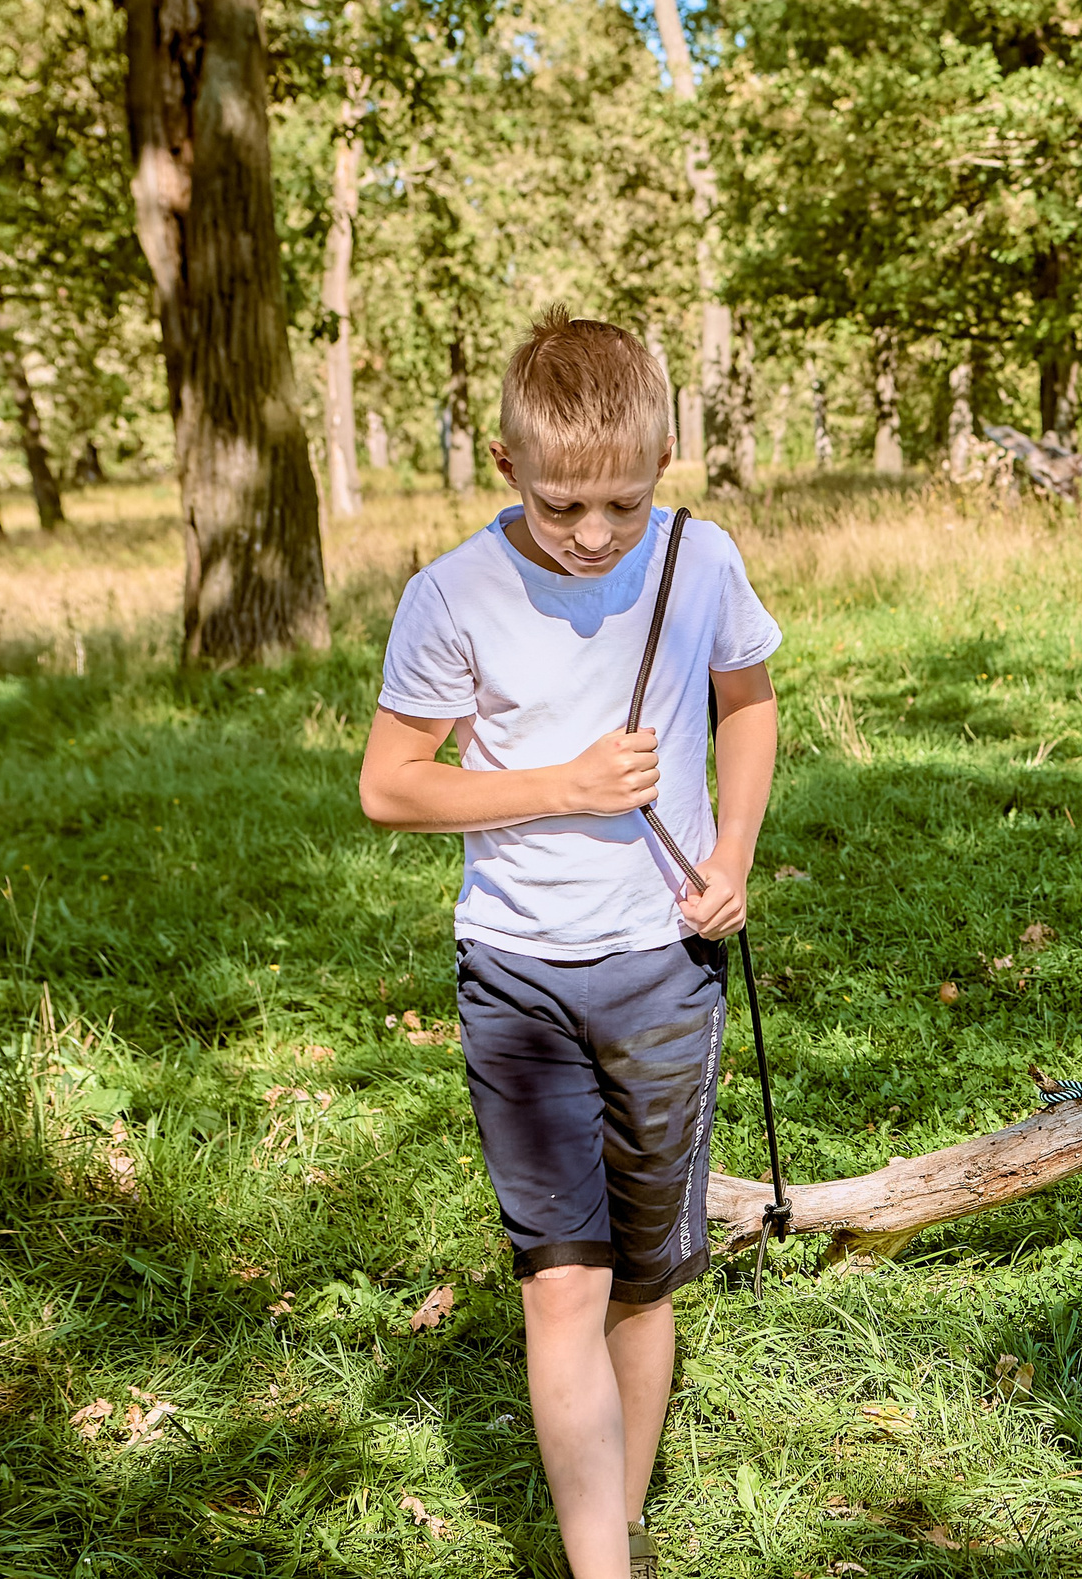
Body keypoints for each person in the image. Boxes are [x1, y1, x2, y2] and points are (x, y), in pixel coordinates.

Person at [357, 309, 781, 1579]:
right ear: (506, 466)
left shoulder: (700, 560)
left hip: (664, 971)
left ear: (662, 464)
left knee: (644, 1283)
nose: (593, 534)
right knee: (562, 1283)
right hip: (519, 977)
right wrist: (564, 786)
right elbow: (390, 786)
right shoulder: (454, 594)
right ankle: (600, 1565)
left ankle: (624, 1523)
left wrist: (732, 858)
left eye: (622, 503)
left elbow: (749, 705)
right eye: (560, 506)